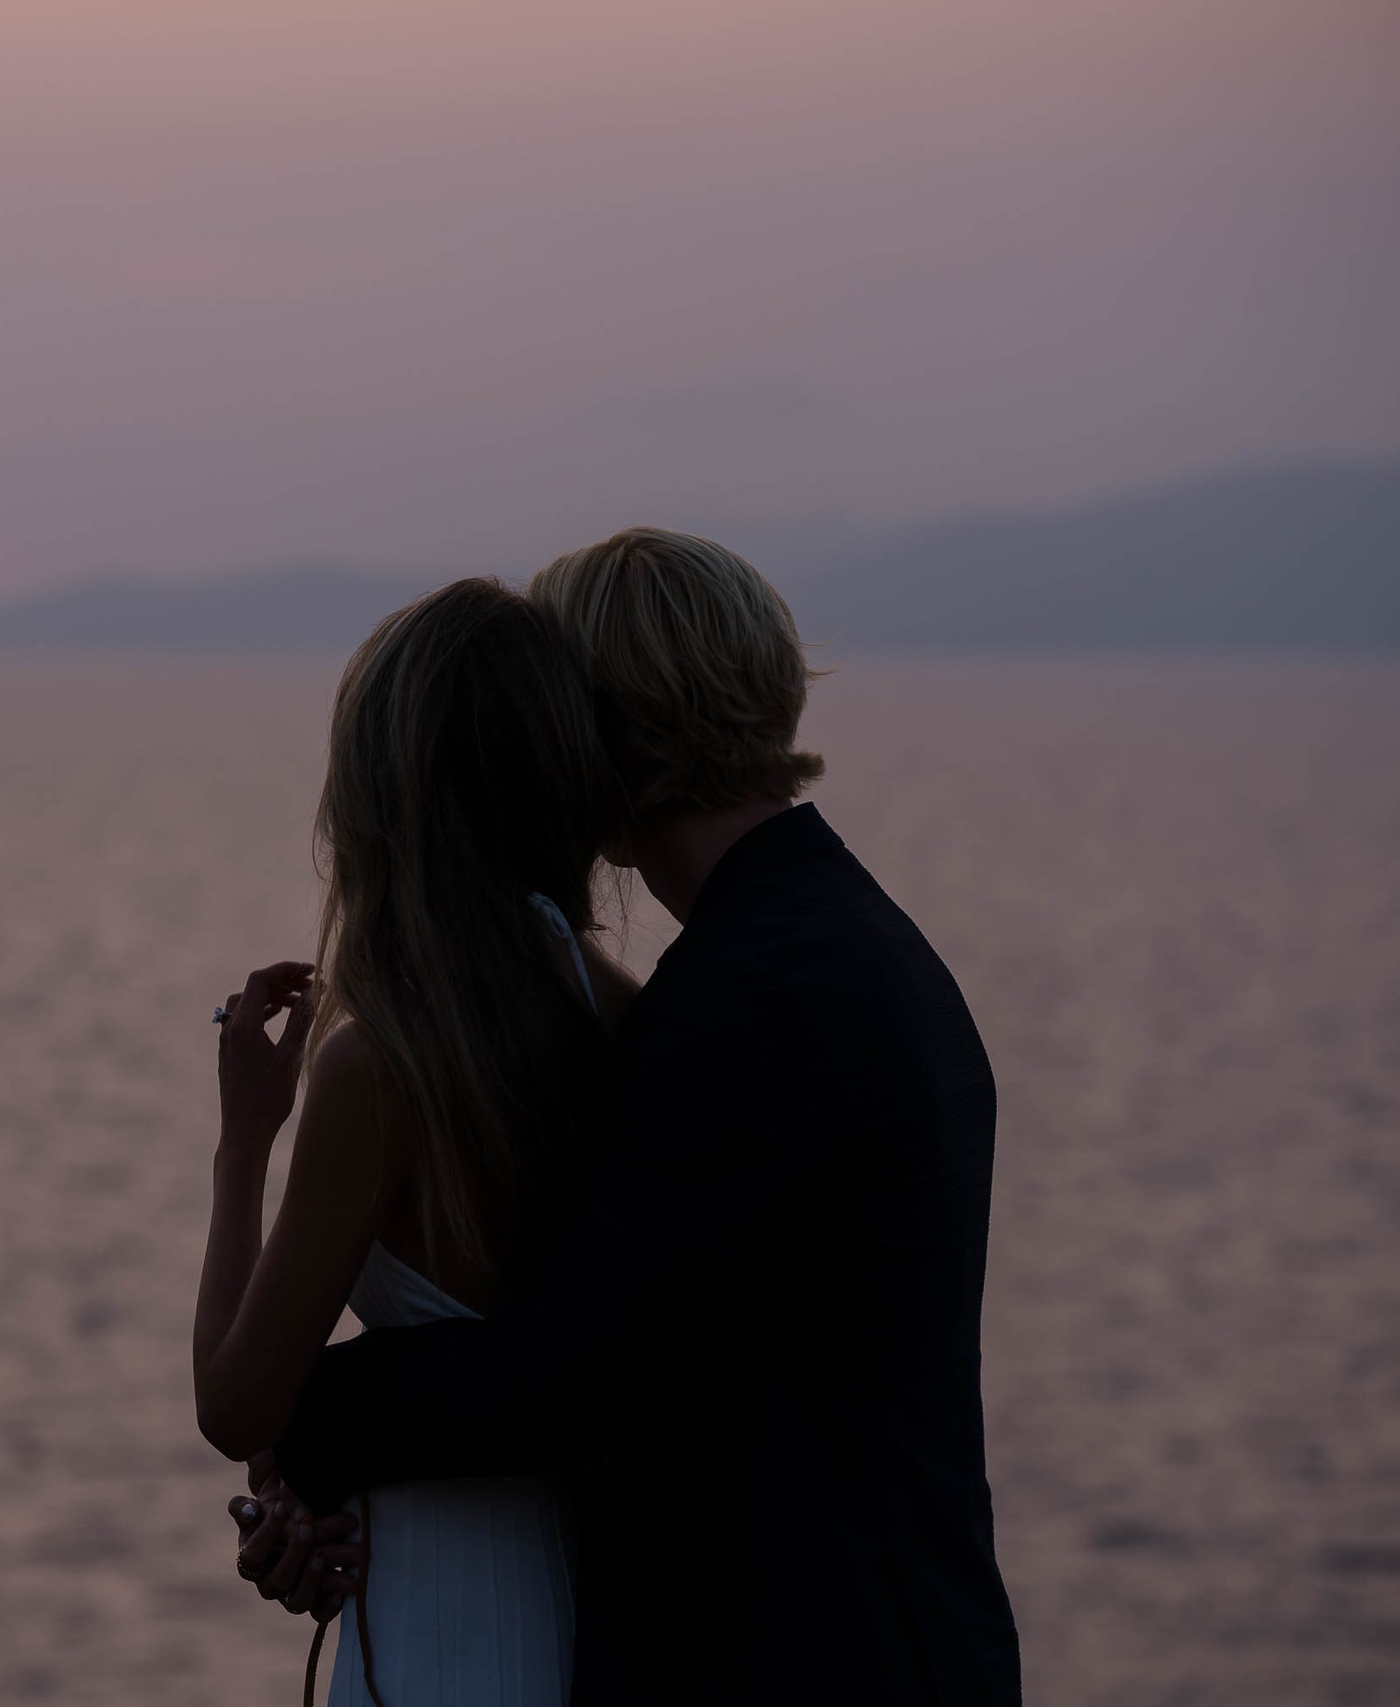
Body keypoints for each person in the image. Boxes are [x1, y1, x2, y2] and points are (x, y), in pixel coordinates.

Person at [229, 529, 1023, 1704]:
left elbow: (570, 1371)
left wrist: (301, 1421)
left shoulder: (750, 997)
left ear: (608, 726)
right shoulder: (831, 944)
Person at [195, 578, 641, 1704]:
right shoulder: (630, 1022)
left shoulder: (382, 1066)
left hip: (442, 1637)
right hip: (593, 1626)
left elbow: (238, 1404)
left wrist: (244, 1141)